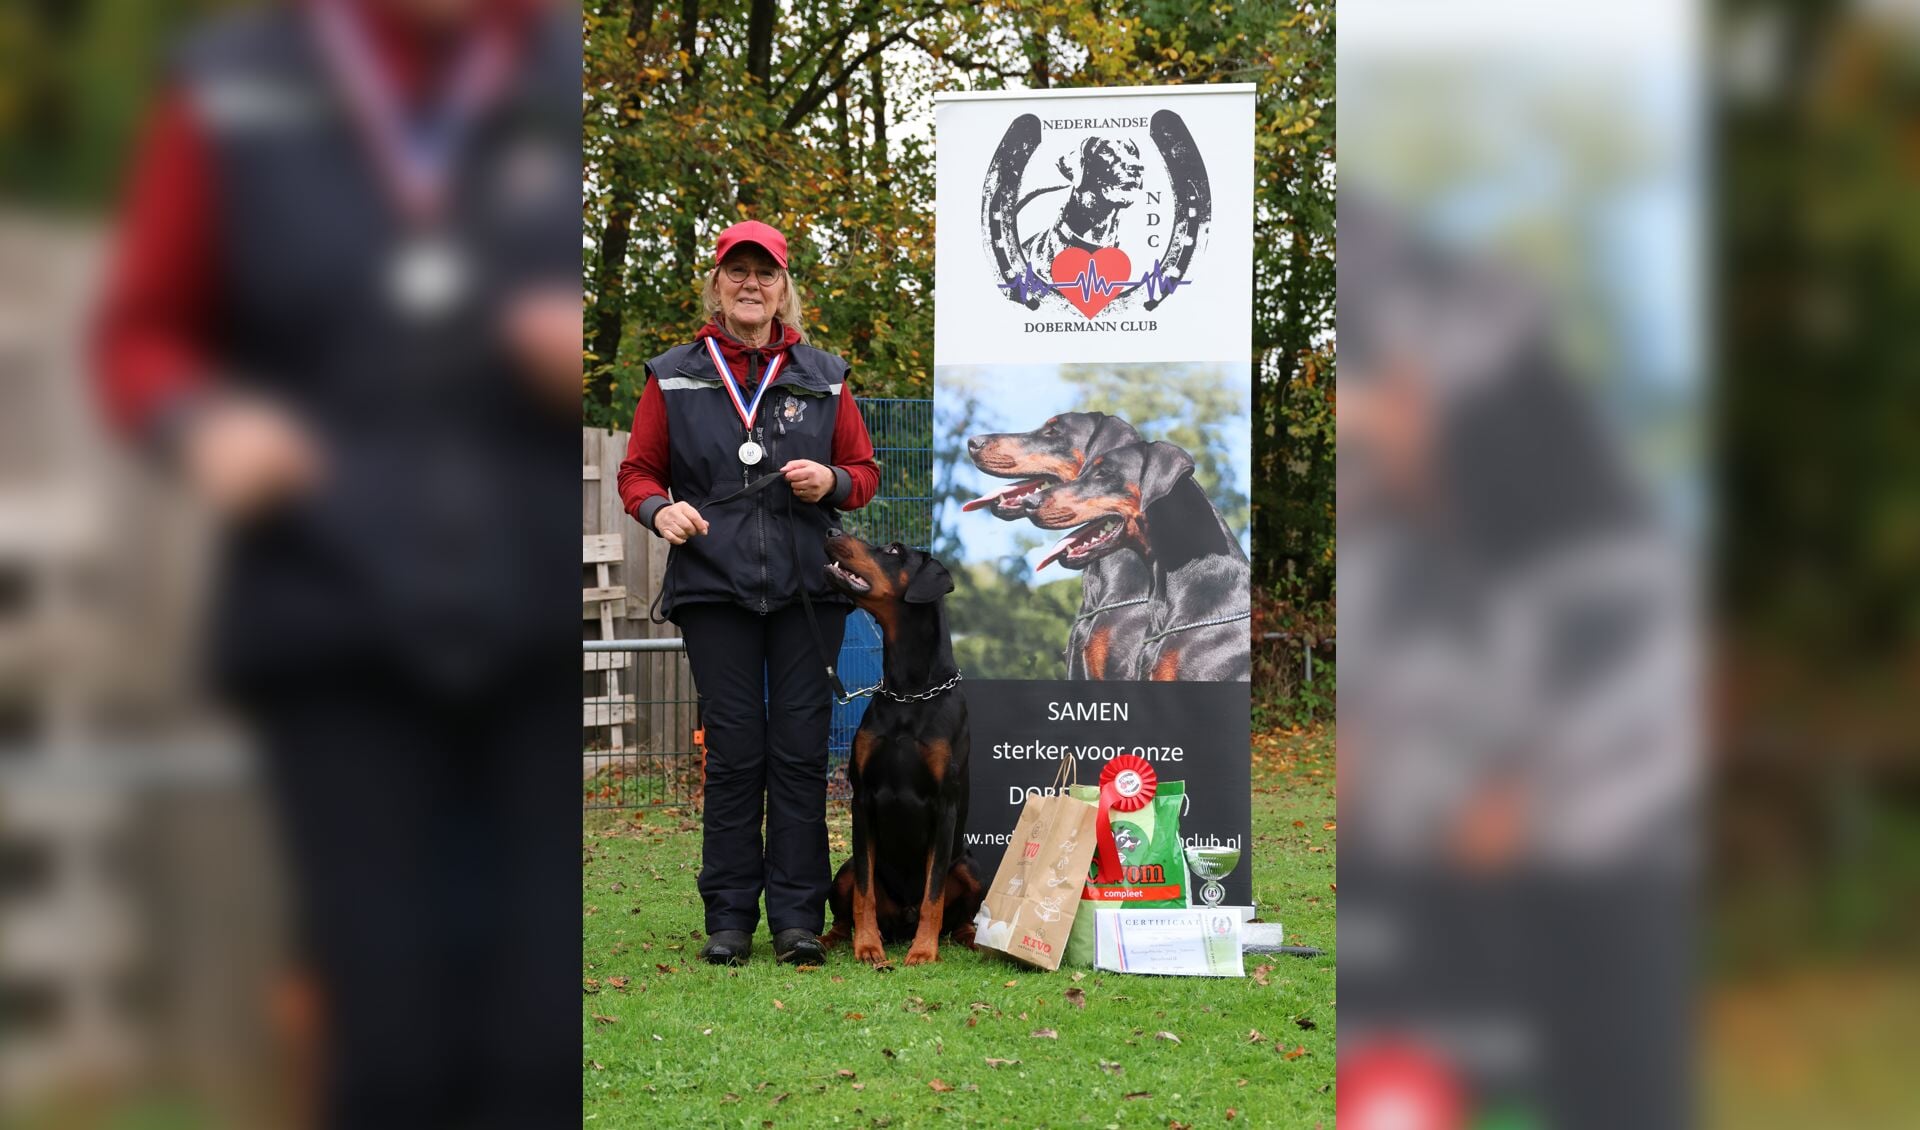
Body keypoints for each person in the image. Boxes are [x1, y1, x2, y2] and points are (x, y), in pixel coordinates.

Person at [93, 1, 579, 1125]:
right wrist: (196, 419)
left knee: (546, 1045)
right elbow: (139, 331)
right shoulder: (229, 84)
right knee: (390, 1044)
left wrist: (569, 339)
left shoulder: (561, 66)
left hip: (536, 623)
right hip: (335, 618)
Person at [617, 219, 880, 967]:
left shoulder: (825, 375)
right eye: (737, 272)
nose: (751, 285)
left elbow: (863, 472)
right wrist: (658, 510)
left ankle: (797, 917)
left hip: (809, 593)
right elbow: (637, 471)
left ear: (783, 288)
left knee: (800, 753)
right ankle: (728, 917)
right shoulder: (674, 373)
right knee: (735, 755)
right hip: (713, 589)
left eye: (765, 274)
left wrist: (831, 480)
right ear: (717, 283)